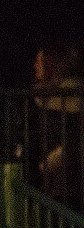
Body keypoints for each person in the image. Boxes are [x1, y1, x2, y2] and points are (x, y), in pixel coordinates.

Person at [32, 43, 83, 210]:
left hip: (65, 177)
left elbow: (75, 136)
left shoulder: (66, 96)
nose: (35, 66)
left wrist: (54, 157)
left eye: (40, 61)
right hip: (53, 176)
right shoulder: (44, 96)